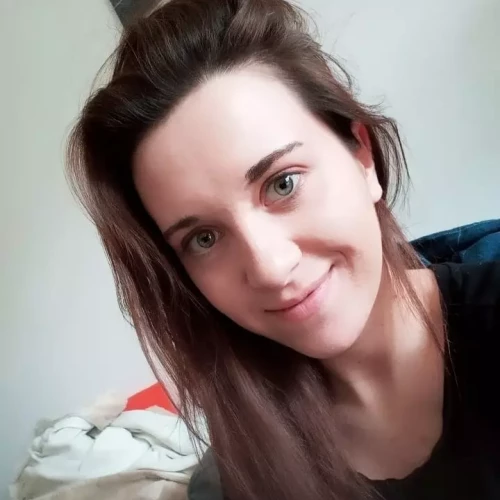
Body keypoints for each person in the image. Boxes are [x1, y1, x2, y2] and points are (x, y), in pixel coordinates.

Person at [66, 0, 500, 499]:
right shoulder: (239, 481)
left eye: (282, 183)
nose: (270, 267)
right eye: (204, 238)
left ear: (362, 157)